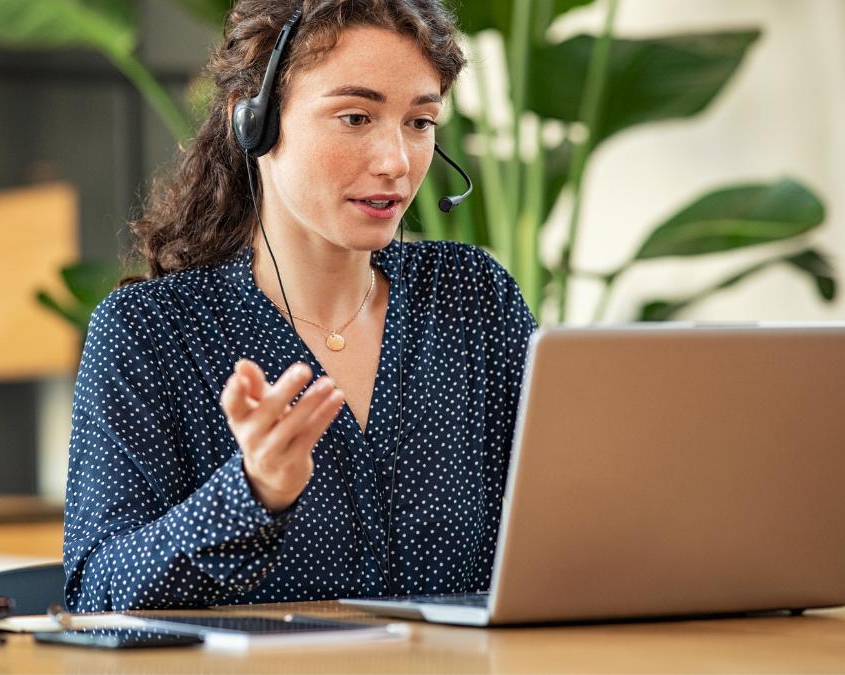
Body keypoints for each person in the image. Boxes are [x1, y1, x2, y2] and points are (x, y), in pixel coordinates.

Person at [63, 0, 537, 612]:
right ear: (253, 123)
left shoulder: (473, 300)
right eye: (355, 117)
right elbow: (95, 594)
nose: (396, 160)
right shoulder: (151, 333)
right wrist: (251, 493)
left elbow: (562, 526)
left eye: (420, 123)